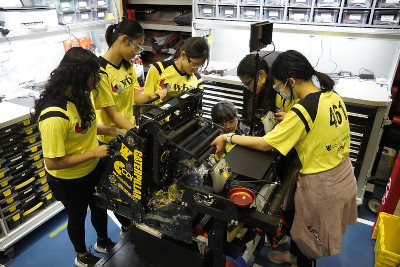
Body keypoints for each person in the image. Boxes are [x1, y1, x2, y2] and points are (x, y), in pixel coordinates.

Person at [211, 50, 358, 267]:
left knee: (309, 241)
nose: (278, 90)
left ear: (291, 81)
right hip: (343, 174)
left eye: (279, 85)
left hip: (323, 186)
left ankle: (300, 261)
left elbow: (266, 143)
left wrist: (228, 135)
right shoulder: (331, 96)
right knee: (301, 230)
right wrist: (293, 118)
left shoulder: (303, 109)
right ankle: (293, 257)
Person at [32, 47, 117, 267]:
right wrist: (94, 152)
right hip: (68, 179)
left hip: (92, 167)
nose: (95, 80)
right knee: (77, 217)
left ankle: (102, 241)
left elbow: (82, 128)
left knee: (100, 207)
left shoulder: (80, 96)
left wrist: (107, 130)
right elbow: (53, 161)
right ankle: (81, 256)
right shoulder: (54, 115)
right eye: (93, 76)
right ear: (79, 76)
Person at [93, 19, 167, 238]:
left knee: (135, 185)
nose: (137, 52)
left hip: (129, 132)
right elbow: (112, 114)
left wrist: (155, 95)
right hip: (112, 138)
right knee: (118, 188)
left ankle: (134, 223)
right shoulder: (101, 71)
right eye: (136, 46)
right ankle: (127, 227)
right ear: (123, 40)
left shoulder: (126, 65)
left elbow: (136, 96)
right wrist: (137, 132)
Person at [237, 54, 298, 135]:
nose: (248, 88)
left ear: (261, 74)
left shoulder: (282, 92)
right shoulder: (258, 91)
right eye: (245, 85)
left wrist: (289, 118)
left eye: (248, 83)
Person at [143, 37, 209, 100]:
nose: (196, 69)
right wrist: (153, 95)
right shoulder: (158, 69)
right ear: (183, 55)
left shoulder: (197, 79)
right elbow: (144, 102)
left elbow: (198, 105)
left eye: (200, 66)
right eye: (194, 64)